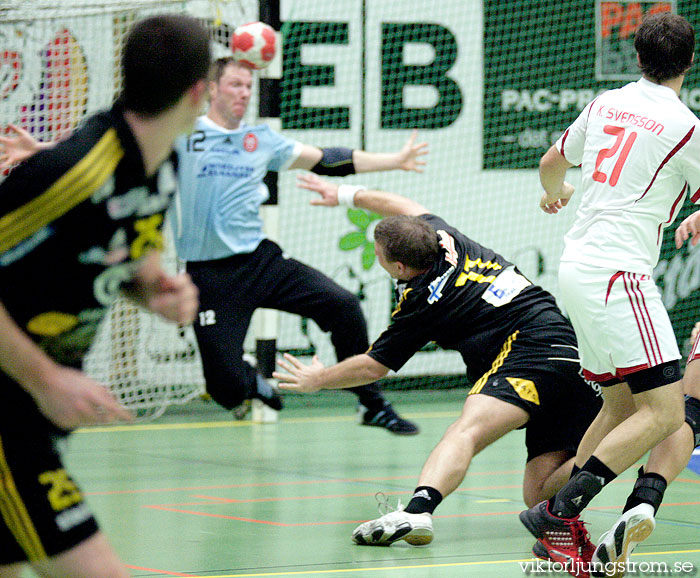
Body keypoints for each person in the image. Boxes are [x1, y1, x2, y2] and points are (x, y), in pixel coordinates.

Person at [272, 173, 601, 546]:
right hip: (568, 348)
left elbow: (372, 366)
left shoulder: (420, 306)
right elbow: (403, 207)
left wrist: (318, 379)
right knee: (540, 494)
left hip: (528, 350)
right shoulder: (444, 238)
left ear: (398, 268)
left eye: (378, 251)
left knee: (467, 431)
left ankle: (417, 510)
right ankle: (612, 452)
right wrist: (346, 194)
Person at [0, 14, 209, 578]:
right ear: (199, 90)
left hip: (33, 407)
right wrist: (48, 379)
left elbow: (131, 262)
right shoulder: (72, 174)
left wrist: (158, 292)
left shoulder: (162, 162)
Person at [518, 13, 700, 577]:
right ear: (689, 63)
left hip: (576, 266)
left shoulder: (605, 103)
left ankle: (563, 521)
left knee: (620, 403)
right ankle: (558, 511)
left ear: (637, 57)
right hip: (621, 274)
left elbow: (551, 164)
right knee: (668, 411)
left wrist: (558, 193)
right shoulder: (687, 125)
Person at [170, 56, 428, 433]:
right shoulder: (182, 133)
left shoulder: (259, 140)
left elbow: (327, 160)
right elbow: (117, 146)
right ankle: (250, 380)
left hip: (260, 261)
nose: (243, 93)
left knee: (344, 306)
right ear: (211, 88)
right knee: (225, 389)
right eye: (234, 85)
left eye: (248, 86)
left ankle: (371, 403)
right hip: (208, 275)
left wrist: (395, 160)